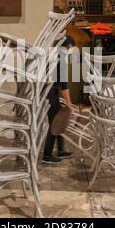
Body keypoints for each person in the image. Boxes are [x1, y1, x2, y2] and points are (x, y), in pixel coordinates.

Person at [42, 36, 76, 164]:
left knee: (60, 120)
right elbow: (63, 85)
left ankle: (61, 150)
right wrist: (69, 103)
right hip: (51, 93)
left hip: (50, 92)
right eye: (69, 48)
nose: (69, 51)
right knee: (55, 123)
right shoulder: (59, 59)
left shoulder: (51, 55)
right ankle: (47, 155)